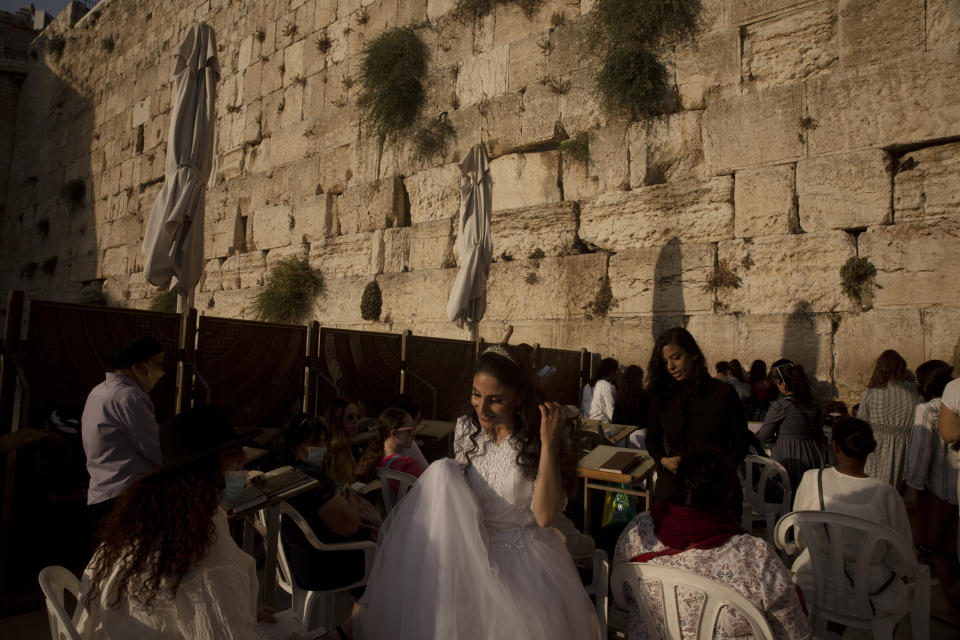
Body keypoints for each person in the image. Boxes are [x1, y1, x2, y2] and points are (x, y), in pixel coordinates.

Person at [353, 344, 600, 639]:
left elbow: (545, 517)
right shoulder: (464, 433)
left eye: (495, 400)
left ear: (519, 397)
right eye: (476, 395)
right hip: (472, 558)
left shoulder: (538, 439)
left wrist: (548, 444)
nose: (481, 409)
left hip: (527, 567)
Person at [77, 405, 268, 639]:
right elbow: (222, 629)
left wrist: (240, 611)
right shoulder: (204, 552)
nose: (244, 459)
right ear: (201, 471)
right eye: (232, 453)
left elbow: (210, 611)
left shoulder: (153, 519)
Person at [614, 447, 811, 640]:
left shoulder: (639, 530)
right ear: (729, 495)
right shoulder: (757, 557)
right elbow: (794, 631)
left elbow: (622, 596)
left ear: (678, 486)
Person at [793, 417, 913, 615]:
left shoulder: (811, 479)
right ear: (869, 450)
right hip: (869, 593)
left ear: (835, 447)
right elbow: (901, 557)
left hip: (815, 584)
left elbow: (800, 536)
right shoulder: (886, 493)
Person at [645, 327, 751, 511]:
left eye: (676, 357)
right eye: (665, 361)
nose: (670, 367)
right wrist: (664, 460)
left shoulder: (723, 394)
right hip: (674, 487)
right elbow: (652, 440)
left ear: (693, 354)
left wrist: (722, 470)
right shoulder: (662, 397)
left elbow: (741, 441)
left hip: (717, 488)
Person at [275, 413, 379, 593]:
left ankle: (358, 617)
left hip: (296, 562)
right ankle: (360, 619)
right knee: (389, 560)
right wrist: (352, 495)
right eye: (314, 443)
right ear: (294, 447)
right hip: (321, 564)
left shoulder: (284, 473)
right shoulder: (312, 480)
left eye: (324, 442)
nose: (322, 448)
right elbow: (349, 525)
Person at [81, 336, 166, 528]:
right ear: (138, 367)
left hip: (102, 490)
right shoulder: (130, 397)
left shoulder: (100, 390)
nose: (160, 372)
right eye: (157, 364)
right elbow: (154, 448)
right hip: (126, 495)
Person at [756, 362, 824, 493]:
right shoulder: (813, 404)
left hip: (787, 453)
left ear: (783, 384)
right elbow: (818, 432)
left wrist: (776, 443)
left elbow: (764, 435)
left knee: (783, 494)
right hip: (810, 452)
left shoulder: (781, 406)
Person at [856, 349, 922, 430]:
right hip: (906, 440)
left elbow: (861, 422)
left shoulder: (871, 393)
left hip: (877, 440)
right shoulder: (914, 391)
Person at [374, 408, 425, 498]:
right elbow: (430, 492)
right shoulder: (408, 464)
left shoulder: (375, 462)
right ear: (394, 433)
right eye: (410, 430)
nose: (414, 433)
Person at [325, 398, 376, 487]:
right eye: (350, 417)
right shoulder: (337, 448)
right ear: (337, 420)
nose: (355, 420)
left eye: (357, 417)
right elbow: (346, 483)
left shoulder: (346, 444)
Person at [582, 357, 618, 422]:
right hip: (602, 423)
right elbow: (611, 411)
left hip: (586, 422)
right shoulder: (607, 386)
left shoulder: (587, 386)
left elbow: (583, 408)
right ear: (612, 372)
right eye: (616, 371)